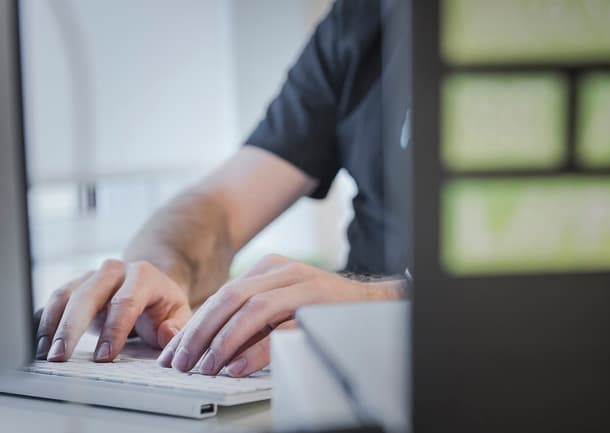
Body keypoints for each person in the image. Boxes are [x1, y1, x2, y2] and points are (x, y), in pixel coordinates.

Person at [34, 0, 411, 378]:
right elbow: (218, 209)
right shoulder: (364, 18)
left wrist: (384, 302)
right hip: (342, 371)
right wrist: (160, 272)